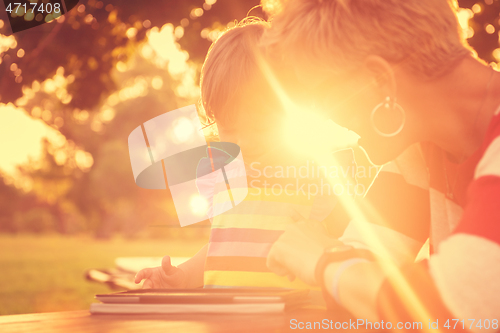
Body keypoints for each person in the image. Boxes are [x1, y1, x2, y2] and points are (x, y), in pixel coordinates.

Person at [263, 0, 500, 330]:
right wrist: (342, 267)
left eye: (323, 98)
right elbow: (361, 262)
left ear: (379, 80)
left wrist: (324, 262)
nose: (331, 122)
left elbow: (449, 307)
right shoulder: (421, 146)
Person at [134, 19, 356, 292]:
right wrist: (181, 276)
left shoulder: (315, 175)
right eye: (229, 128)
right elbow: (222, 251)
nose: (245, 142)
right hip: (226, 320)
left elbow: (348, 250)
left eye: (260, 127)